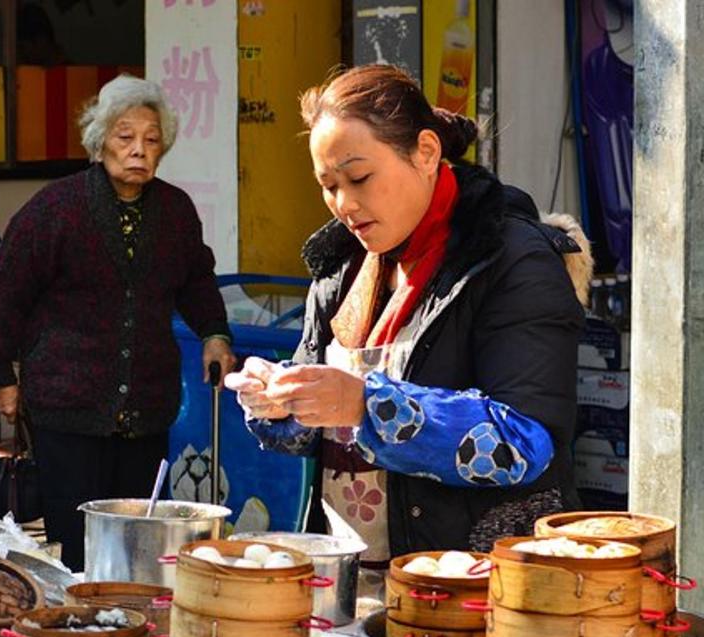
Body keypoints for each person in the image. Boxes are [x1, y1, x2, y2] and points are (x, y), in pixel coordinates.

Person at [226, 65, 592, 590]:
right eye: (328, 186)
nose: (344, 204)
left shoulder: (513, 260)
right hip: (354, 585)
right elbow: (318, 426)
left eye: (359, 178)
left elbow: (524, 441)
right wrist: (281, 399)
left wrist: (363, 405)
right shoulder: (342, 267)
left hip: (478, 590)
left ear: (425, 152)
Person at [0, 75, 237, 572]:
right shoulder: (54, 209)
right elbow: (5, 293)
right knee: (77, 549)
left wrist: (215, 334)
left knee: (138, 545)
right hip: (68, 407)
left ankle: (131, 631)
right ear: (100, 142)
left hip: (145, 409)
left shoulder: (176, 211)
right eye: (125, 136)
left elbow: (197, 280)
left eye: (151, 139)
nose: (139, 149)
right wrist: (0, 375)